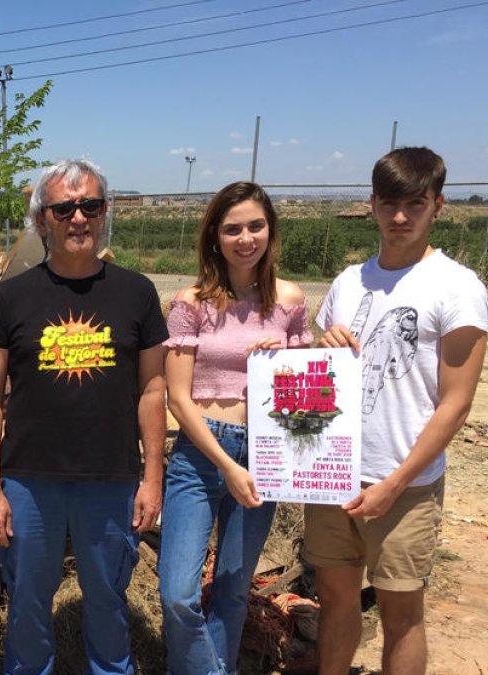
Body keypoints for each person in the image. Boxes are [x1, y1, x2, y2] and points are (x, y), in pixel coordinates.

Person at [0, 158, 167, 674]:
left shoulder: (137, 292)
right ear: (42, 220)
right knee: (29, 605)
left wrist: (153, 477)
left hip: (111, 478)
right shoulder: (11, 297)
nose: (78, 217)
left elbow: (153, 388)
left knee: (107, 601)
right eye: (63, 208)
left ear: (104, 213)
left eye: (90, 206)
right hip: (29, 482)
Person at [311, 147, 488, 675]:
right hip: (334, 476)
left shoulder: (457, 287)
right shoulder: (348, 282)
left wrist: (396, 481)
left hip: (404, 487)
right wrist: (322, 345)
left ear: (438, 204)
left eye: (415, 204)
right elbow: (325, 376)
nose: (401, 217)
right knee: (336, 601)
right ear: (372, 205)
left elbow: (456, 404)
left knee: (402, 613)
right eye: (389, 204)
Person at [159, 182, 311, 675]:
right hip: (203, 452)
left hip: (265, 452)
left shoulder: (289, 300)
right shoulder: (193, 301)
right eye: (232, 229)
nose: (245, 238)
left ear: (270, 230)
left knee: (232, 586)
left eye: (255, 226)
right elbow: (178, 398)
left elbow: (308, 384)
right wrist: (226, 465)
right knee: (178, 591)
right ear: (214, 238)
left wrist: (289, 355)